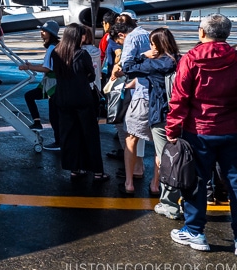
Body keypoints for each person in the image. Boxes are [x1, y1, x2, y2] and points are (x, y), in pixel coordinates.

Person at [165, 13, 237, 252]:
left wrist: (173, 128)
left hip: (198, 130)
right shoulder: (235, 57)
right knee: (235, 183)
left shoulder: (191, 59)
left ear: (202, 33)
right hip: (231, 130)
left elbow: (179, 98)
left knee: (195, 182)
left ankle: (195, 232)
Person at [120, 27, 181, 219]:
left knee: (163, 155)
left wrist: (142, 55)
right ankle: (158, 188)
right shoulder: (179, 59)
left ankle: (168, 203)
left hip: (159, 112)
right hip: (178, 112)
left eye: (153, 44)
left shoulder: (156, 64)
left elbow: (127, 67)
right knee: (170, 154)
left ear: (157, 45)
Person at [51, 23, 109, 182]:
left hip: (62, 98)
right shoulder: (82, 54)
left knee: (69, 135)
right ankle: (97, 171)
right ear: (76, 36)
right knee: (90, 135)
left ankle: (75, 168)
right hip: (82, 98)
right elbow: (91, 75)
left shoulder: (56, 52)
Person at [109, 19, 151, 195]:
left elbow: (126, 65)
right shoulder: (147, 34)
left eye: (119, 42)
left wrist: (117, 73)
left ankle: (129, 182)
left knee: (130, 136)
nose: (120, 45)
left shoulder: (132, 38)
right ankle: (151, 179)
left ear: (121, 34)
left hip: (141, 94)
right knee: (156, 142)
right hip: (154, 92)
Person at [19, 20, 61, 149]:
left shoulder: (52, 48)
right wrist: (31, 66)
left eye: (44, 31)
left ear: (51, 33)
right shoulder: (55, 46)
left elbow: (47, 68)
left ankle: (59, 142)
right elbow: (46, 66)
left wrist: (29, 67)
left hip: (53, 84)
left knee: (54, 116)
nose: (41, 32)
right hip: (51, 83)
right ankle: (37, 123)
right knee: (30, 96)